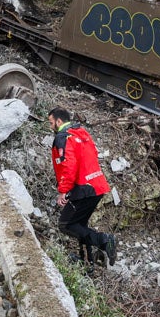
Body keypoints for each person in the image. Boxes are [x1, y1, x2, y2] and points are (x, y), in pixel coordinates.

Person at [48, 108, 118, 266]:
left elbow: (68, 166)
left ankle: (104, 241)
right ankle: (88, 261)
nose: (50, 126)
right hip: (97, 185)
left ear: (59, 121)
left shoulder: (62, 138)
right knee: (80, 225)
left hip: (83, 188)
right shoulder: (80, 132)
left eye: (51, 123)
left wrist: (63, 191)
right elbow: (93, 153)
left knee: (66, 224)